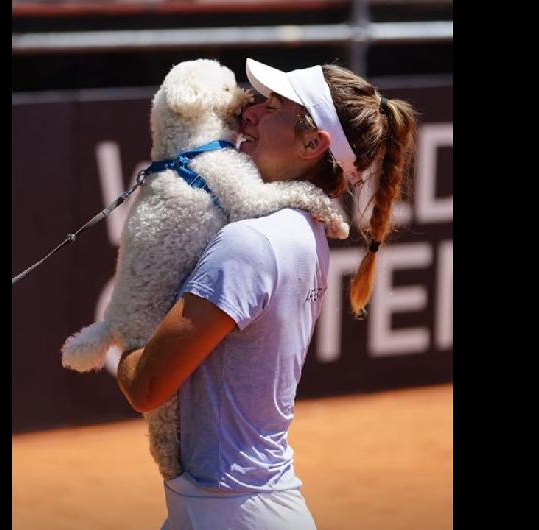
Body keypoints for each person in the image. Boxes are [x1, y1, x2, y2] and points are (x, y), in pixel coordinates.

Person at [116, 57, 418, 530]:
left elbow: (145, 387)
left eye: (273, 107)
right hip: (229, 505)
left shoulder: (248, 242)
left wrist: (128, 326)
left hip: (233, 512)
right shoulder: (303, 228)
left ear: (312, 144)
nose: (249, 112)